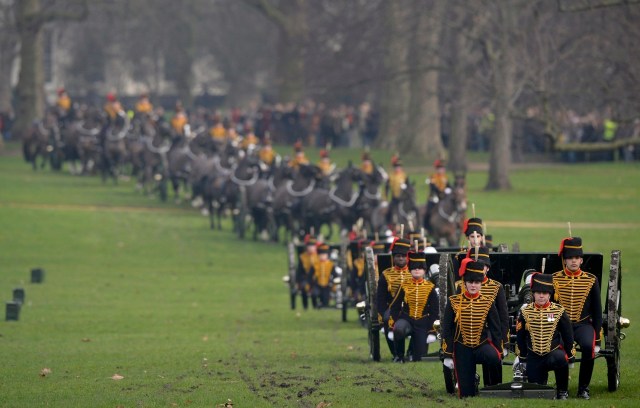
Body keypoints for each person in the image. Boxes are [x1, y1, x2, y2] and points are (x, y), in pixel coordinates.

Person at [442, 258, 503, 398]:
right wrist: (448, 354)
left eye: (476, 282)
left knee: (494, 358)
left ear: (481, 283)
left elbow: (496, 328)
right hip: (461, 347)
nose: (473, 285)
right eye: (470, 282)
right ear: (465, 283)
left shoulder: (488, 302)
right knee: (467, 394)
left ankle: (493, 387)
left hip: (481, 344)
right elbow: (447, 329)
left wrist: (499, 349)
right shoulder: (453, 302)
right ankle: (471, 382)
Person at [552, 236, 602, 400]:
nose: (573, 261)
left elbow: (596, 310)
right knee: (558, 350)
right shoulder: (555, 279)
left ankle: (583, 388)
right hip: (560, 326)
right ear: (564, 260)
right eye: (570, 258)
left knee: (588, 346)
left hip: (582, 325)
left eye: (577, 258)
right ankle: (562, 390)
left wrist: (597, 338)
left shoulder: (591, 280)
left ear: (581, 260)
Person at [516, 272, 575, 400]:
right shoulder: (525, 312)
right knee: (537, 392)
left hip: (553, 353)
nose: (541, 295)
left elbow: (568, 334)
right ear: (533, 293)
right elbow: (520, 336)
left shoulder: (559, 311)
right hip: (534, 356)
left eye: (545, 293)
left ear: (549, 294)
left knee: (561, 360)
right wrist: (522, 356)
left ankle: (562, 391)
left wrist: (570, 355)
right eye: (538, 292)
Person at [388, 251, 439, 362]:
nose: (417, 270)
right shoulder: (404, 285)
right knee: (399, 330)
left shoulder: (430, 287)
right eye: (414, 268)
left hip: (423, 322)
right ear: (410, 270)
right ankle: (399, 356)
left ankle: (412, 352)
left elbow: (435, 310)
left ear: (424, 271)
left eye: (420, 268)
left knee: (419, 358)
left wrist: (431, 330)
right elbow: (395, 305)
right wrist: (394, 324)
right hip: (406, 319)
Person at [375, 237, 411, 361]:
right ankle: (396, 353)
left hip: (411, 308)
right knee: (387, 319)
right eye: (398, 256)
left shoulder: (414, 273)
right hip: (392, 308)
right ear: (393, 257)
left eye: (404, 256)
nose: (401, 258)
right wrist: (383, 314)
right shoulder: (386, 274)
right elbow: (380, 298)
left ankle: (411, 352)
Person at [424, 159, 451, 232]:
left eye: (442, 168)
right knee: (428, 212)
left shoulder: (445, 177)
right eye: (439, 168)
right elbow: (433, 187)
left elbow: (449, 186)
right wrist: (441, 192)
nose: (441, 170)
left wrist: (448, 190)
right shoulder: (433, 177)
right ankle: (426, 227)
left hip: (443, 198)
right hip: (434, 198)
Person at [296, 235, 319, 310]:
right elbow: (299, 271)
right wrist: (299, 281)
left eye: (313, 246)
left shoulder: (319, 256)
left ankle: (316, 306)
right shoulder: (303, 257)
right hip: (306, 279)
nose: (311, 248)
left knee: (315, 291)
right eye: (309, 246)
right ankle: (305, 306)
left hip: (316, 279)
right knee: (304, 287)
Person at [311, 243, 337, 308]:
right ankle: (315, 306)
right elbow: (310, 276)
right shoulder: (315, 264)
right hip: (317, 285)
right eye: (321, 255)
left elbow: (335, 275)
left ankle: (323, 305)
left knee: (325, 302)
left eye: (324, 255)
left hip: (327, 285)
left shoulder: (331, 264)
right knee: (314, 294)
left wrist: (333, 283)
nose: (322, 256)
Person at [385, 154, 407, 227]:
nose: (398, 168)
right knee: (389, 210)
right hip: (395, 198)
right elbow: (387, 187)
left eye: (399, 167)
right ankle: (388, 225)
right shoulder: (391, 176)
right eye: (396, 167)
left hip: (404, 199)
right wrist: (385, 198)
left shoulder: (404, 176)